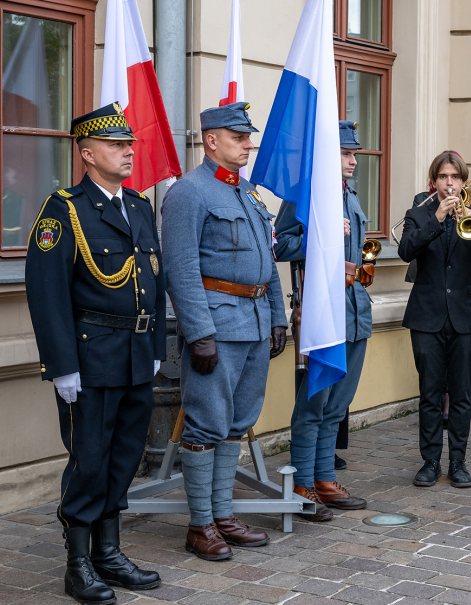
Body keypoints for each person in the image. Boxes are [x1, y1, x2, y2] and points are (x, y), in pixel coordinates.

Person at [25, 103, 163, 604]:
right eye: (115, 145)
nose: (128, 151)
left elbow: (155, 280)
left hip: (133, 356)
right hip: (90, 359)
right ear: (86, 154)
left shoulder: (140, 207)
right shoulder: (64, 209)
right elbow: (46, 292)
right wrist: (61, 366)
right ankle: (78, 564)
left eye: (129, 144)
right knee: (89, 461)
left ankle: (110, 553)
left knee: (124, 457)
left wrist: (152, 347)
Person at [162, 102, 288, 560]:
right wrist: (199, 332)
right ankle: (200, 525)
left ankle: (222, 514)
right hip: (218, 325)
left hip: (253, 324)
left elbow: (268, 263)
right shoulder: (189, 193)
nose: (247, 145)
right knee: (206, 424)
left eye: (247, 136)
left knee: (236, 424)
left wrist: (278, 316)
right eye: (238, 137)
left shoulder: (248, 192)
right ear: (211, 141)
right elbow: (180, 268)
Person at [274, 120, 370, 520]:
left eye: (353, 154)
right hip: (320, 310)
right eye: (345, 154)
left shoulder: (349, 196)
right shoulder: (305, 196)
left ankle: (325, 478)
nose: (352, 161)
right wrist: (321, 233)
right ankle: (302, 484)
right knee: (313, 403)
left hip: (354, 307)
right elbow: (281, 245)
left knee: (338, 403)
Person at [398, 151, 471, 487]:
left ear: (463, 181)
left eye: (455, 177)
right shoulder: (417, 215)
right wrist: (437, 219)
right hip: (426, 315)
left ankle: (458, 461)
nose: (449, 183)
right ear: (434, 181)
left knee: (460, 394)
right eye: (443, 177)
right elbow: (405, 251)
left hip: (465, 315)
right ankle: (430, 461)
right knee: (429, 392)